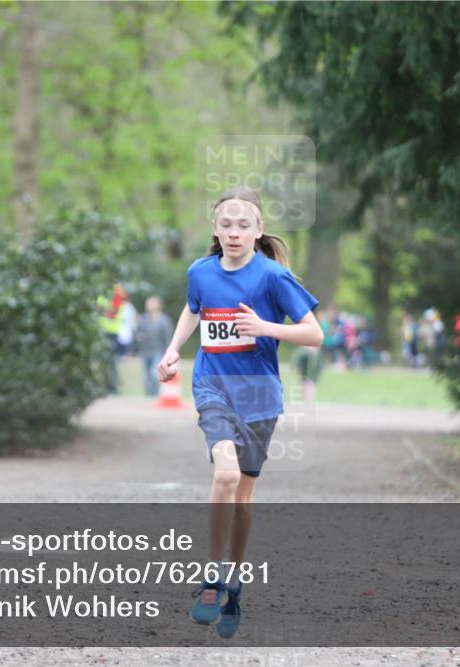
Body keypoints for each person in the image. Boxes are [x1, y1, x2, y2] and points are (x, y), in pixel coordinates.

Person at [157, 186, 322, 639]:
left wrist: (265, 328)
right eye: (226, 224)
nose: (234, 232)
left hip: (260, 396)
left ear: (258, 229)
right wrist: (172, 351)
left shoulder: (272, 277)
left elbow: (315, 335)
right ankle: (212, 576)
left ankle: (234, 581)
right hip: (212, 386)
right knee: (225, 477)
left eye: (243, 224)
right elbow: (194, 310)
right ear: (215, 228)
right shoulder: (200, 272)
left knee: (244, 496)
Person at [135, 296, 173, 397]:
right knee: (147, 375)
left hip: (159, 351)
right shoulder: (143, 318)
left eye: (151, 303)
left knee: (153, 373)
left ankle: (155, 395)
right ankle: (148, 396)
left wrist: (168, 353)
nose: (148, 305)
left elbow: (168, 337)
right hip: (145, 351)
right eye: (147, 303)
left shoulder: (164, 320)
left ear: (158, 305)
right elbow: (138, 332)